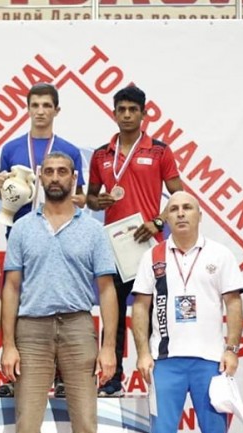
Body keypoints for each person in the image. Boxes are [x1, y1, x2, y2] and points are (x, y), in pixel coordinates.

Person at [0, 152, 117, 433]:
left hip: (79, 328)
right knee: (27, 425)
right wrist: (8, 343)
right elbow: (11, 287)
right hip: (31, 331)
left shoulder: (93, 230)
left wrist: (109, 347)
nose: (55, 177)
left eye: (62, 171)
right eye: (48, 171)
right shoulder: (22, 228)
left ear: (73, 178)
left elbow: (107, 289)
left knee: (86, 424)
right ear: (39, 177)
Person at [131, 191, 243, 433]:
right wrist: (143, 352)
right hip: (165, 362)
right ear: (166, 217)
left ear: (199, 215)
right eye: (174, 209)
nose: (181, 213)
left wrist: (232, 349)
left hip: (210, 362)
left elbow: (234, 304)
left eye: (187, 208)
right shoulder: (153, 255)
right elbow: (140, 307)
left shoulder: (220, 254)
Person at [87, 85, 183, 398]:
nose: (127, 115)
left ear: (144, 113)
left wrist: (158, 221)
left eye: (133, 110)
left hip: (147, 245)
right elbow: (90, 197)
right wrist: (97, 202)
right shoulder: (102, 154)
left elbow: (179, 197)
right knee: (112, 316)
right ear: (114, 113)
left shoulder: (159, 151)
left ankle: (156, 378)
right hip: (113, 248)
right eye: (122, 110)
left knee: (153, 313)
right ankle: (111, 379)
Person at [0, 82, 86, 399]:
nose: (41, 111)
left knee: (59, 303)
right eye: (35, 105)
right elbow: (5, 193)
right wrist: (0, 184)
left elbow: (80, 196)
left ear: (56, 110)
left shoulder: (69, 150)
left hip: (60, 234)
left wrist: (72, 197)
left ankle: (62, 375)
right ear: (28, 108)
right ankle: (12, 372)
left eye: (47, 105)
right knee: (16, 301)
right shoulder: (11, 148)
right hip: (22, 234)